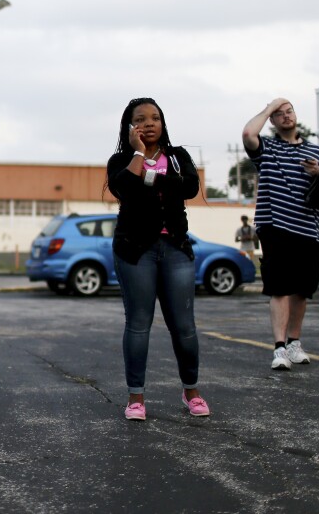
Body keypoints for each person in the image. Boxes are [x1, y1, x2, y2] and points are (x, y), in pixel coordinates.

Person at [106, 97, 210, 421]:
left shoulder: (178, 157)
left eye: (155, 118)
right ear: (130, 126)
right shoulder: (120, 159)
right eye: (142, 119)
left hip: (176, 248)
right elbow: (124, 189)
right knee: (139, 325)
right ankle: (136, 398)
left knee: (184, 327)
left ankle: (191, 391)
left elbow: (190, 187)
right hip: (136, 250)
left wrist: (151, 178)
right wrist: (139, 155)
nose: (150, 123)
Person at [241, 98, 319, 370]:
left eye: (288, 111)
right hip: (275, 226)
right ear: (272, 121)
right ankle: (279, 348)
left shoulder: (317, 152)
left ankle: (294, 343)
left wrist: (318, 173)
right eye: (279, 114)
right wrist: (269, 107)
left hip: (307, 229)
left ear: (295, 114)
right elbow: (248, 134)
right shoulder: (266, 148)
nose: (285, 116)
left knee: (302, 291)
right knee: (279, 288)